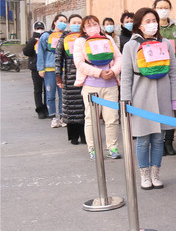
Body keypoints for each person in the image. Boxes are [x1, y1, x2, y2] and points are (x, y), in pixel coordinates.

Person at [120, 7, 176, 190]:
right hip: (141, 97)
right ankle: (144, 174)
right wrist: (126, 99)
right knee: (143, 138)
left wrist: (175, 99)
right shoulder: (130, 46)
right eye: (147, 21)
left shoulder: (166, 44)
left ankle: (156, 173)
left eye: (154, 20)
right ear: (138, 25)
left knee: (158, 138)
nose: (152, 24)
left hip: (162, 96)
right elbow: (126, 76)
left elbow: (173, 72)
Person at [74, 15, 122, 160]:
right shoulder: (80, 42)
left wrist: (113, 71)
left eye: (95, 24)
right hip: (91, 86)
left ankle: (112, 147)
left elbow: (119, 57)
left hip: (111, 85)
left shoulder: (108, 38)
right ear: (84, 28)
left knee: (112, 118)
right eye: (89, 25)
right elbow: (79, 63)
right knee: (91, 118)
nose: (93, 27)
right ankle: (93, 148)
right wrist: (99, 73)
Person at [153, 0, 176, 156]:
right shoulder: (152, 29)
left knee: (173, 107)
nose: (163, 10)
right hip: (156, 75)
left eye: (166, 7)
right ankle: (158, 141)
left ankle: (169, 142)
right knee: (157, 108)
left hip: (173, 74)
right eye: (159, 7)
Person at [54, 14, 86, 145]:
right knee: (72, 108)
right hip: (69, 78)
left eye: (79, 22)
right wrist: (58, 76)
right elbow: (58, 59)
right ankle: (73, 136)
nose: (77, 25)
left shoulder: (86, 38)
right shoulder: (64, 38)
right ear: (69, 24)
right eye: (74, 22)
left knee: (84, 108)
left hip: (84, 76)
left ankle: (85, 136)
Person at [37, 13, 68, 128]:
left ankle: (63, 116)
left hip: (64, 68)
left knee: (63, 94)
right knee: (50, 94)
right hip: (49, 68)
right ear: (55, 22)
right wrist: (41, 68)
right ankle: (54, 117)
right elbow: (40, 52)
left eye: (65, 21)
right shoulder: (45, 36)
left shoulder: (67, 36)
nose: (63, 23)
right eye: (61, 21)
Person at [23, 21, 48, 119]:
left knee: (47, 90)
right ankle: (39, 110)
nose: (40, 30)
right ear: (34, 29)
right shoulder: (31, 40)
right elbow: (26, 52)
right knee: (38, 90)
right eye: (37, 28)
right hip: (35, 68)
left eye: (41, 28)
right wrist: (34, 40)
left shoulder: (47, 38)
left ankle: (47, 108)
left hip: (47, 67)